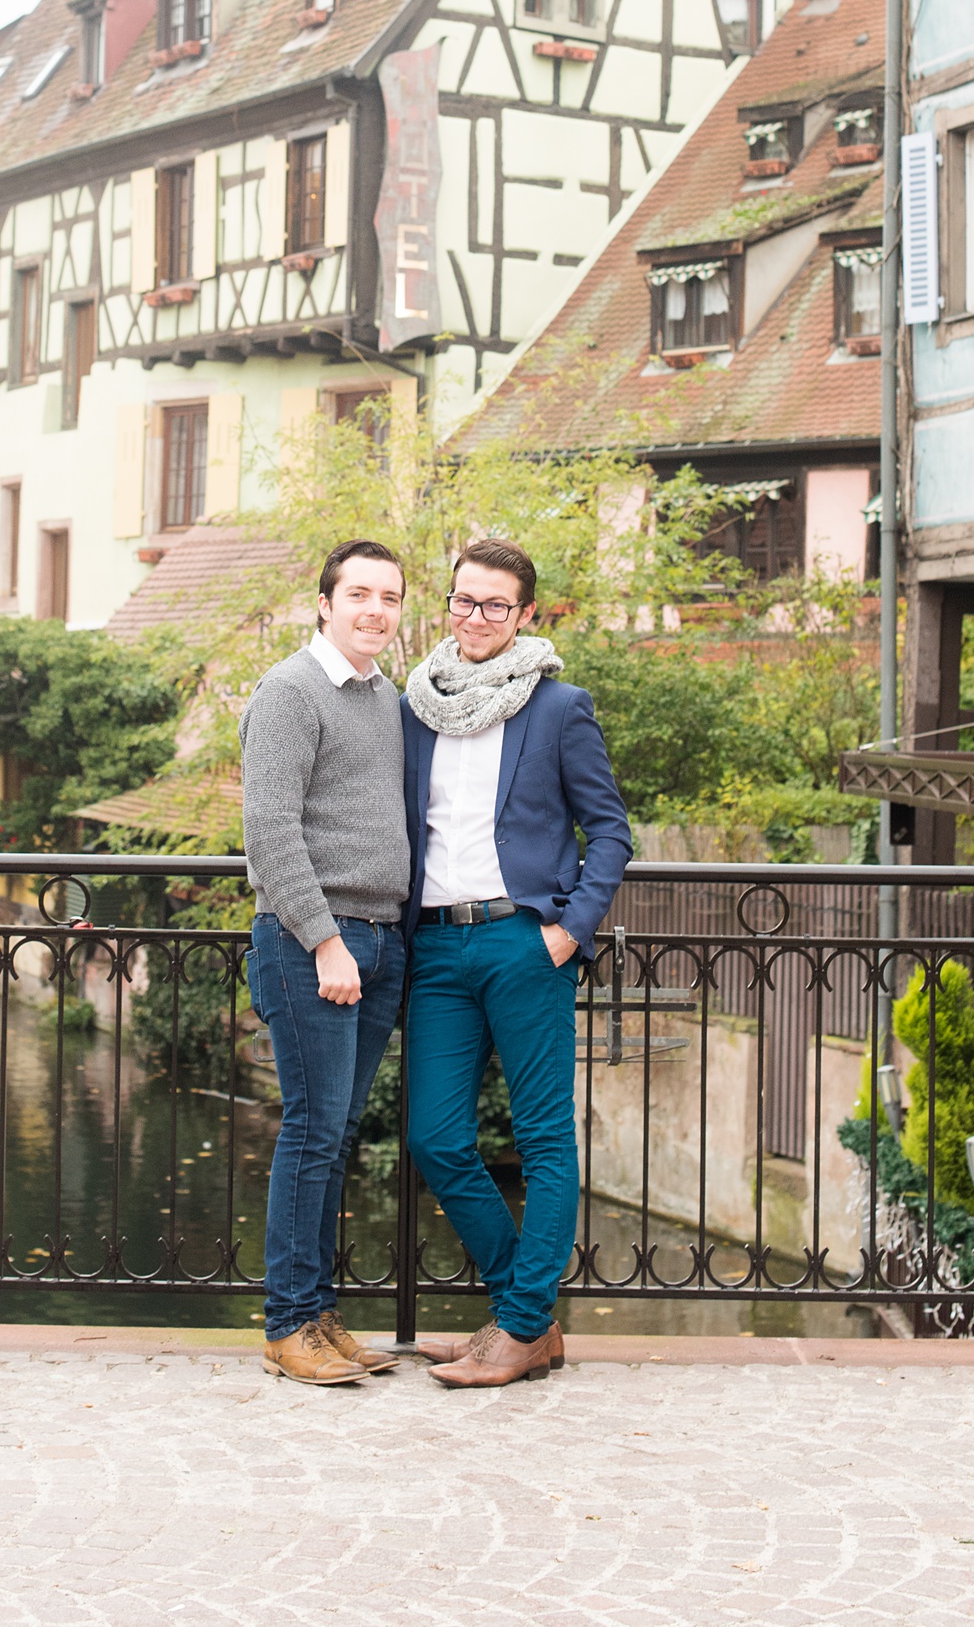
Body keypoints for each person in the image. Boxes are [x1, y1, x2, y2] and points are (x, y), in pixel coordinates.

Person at [401, 536, 632, 1387]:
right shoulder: (414, 705)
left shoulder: (560, 708)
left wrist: (568, 931)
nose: (476, 619)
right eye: (464, 601)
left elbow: (610, 830)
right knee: (434, 1136)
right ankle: (521, 1314)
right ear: (448, 602)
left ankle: (523, 1323)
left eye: (496, 605)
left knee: (541, 1138)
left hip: (523, 941)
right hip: (434, 946)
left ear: (526, 615)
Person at [240, 538, 411, 1385]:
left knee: (336, 1136)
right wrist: (325, 940)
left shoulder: (385, 699)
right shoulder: (289, 692)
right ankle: (286, 1324)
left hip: (378, 940)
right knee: (311, 1134)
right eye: (359, 594)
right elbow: (270, 832)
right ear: (324, 602)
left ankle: (317, 1311)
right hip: (314, 943)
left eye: (389, 597)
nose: (375, 610)